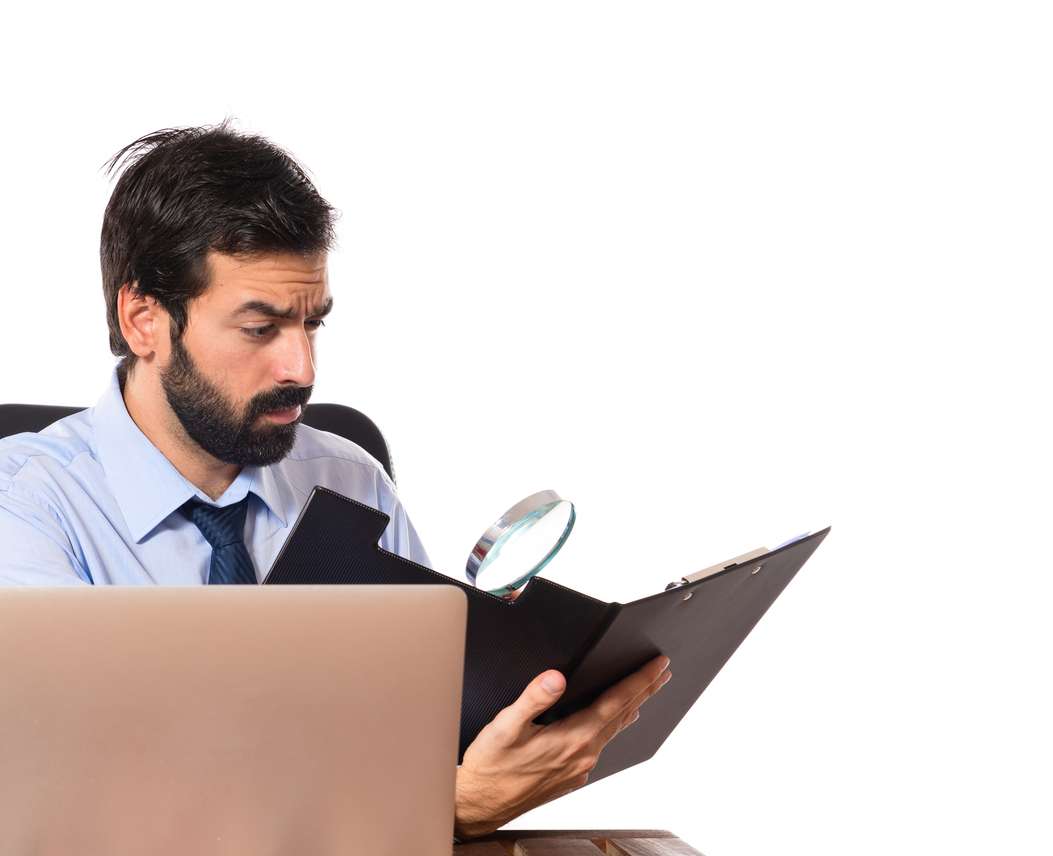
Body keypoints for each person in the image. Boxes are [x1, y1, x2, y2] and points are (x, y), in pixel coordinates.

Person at [0, 123, 671, 840]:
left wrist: (518, 732)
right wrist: (438, 812)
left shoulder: (347, 475)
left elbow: (422, 725)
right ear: (144, 320)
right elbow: (84, 811)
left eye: (311, 324)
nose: (302, 370)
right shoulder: (25, 508)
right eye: (260, 329)